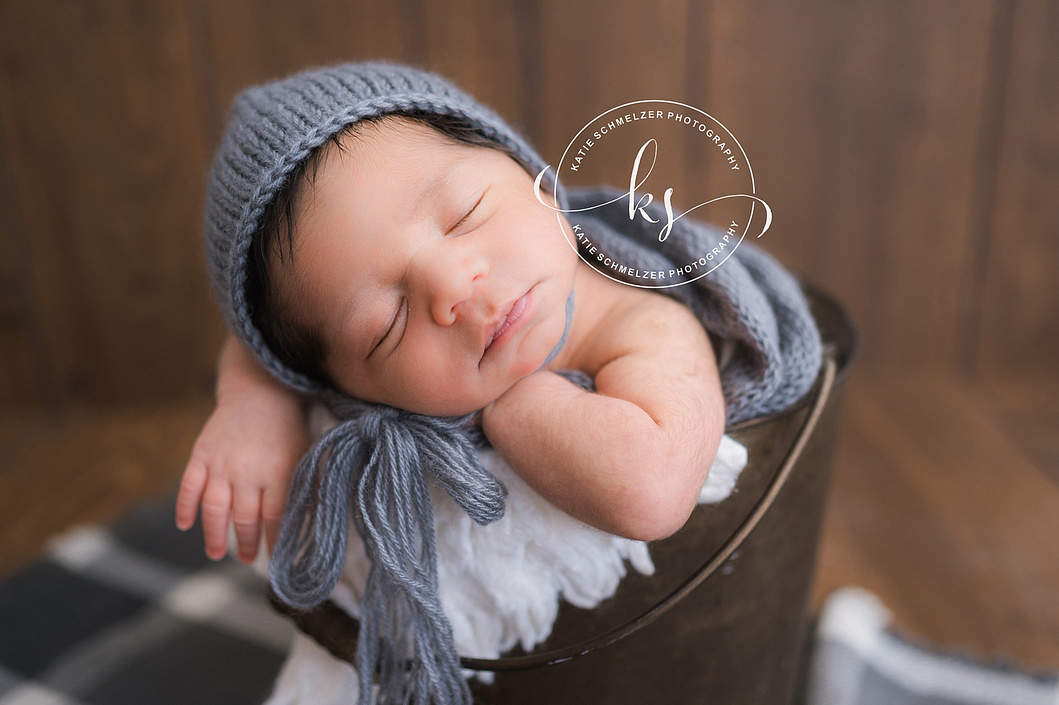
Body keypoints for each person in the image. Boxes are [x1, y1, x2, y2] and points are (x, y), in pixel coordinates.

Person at [176, 109, 728, 563]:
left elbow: (652, 493)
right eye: (386, 325)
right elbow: (271, 350)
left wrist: (518, 405)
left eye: (466, 215)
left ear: (526, 169)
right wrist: (252, 404)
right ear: (345, 387)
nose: (452, 285)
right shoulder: (308, 358)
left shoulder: (643, 322)